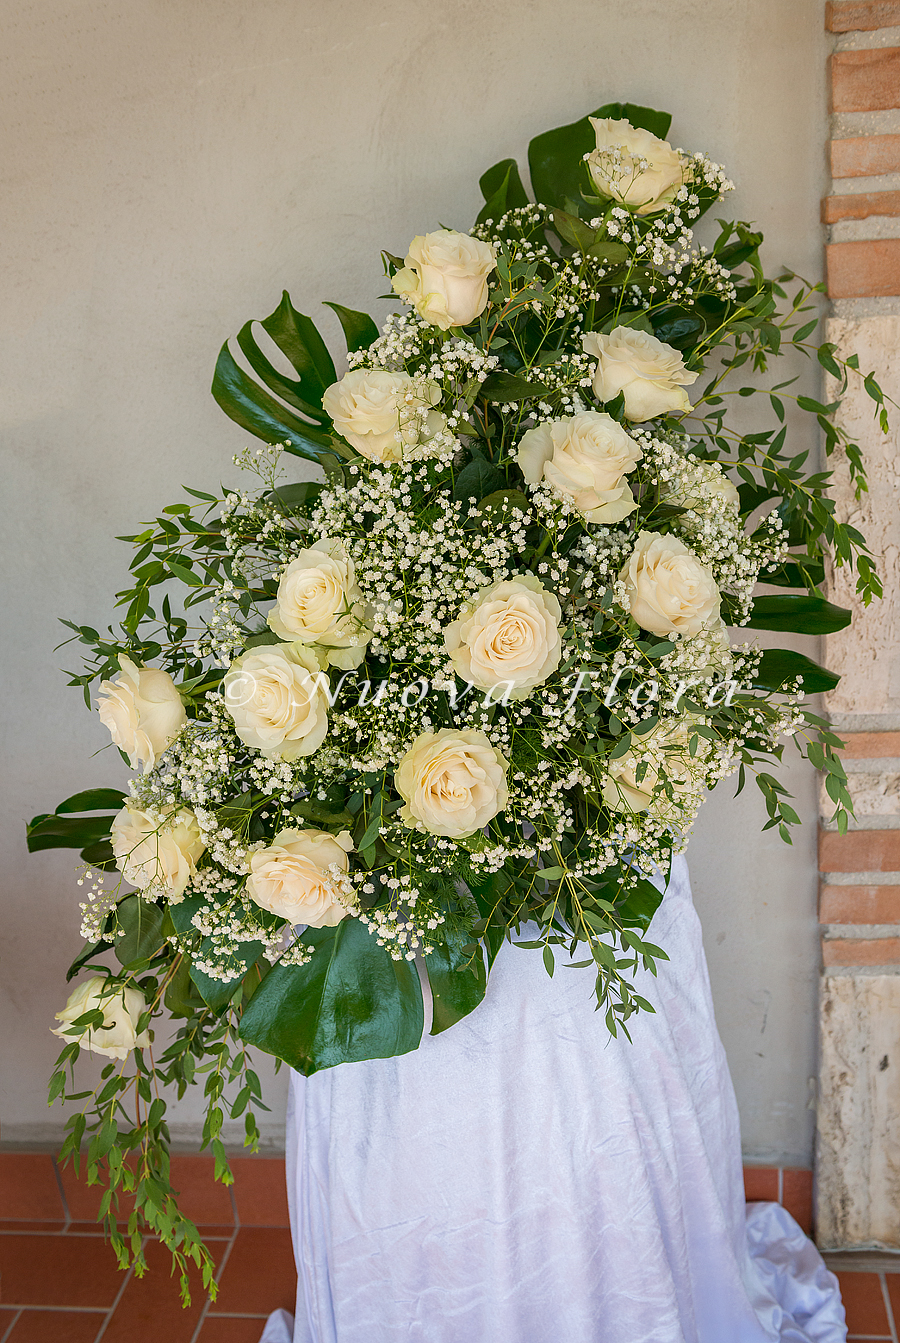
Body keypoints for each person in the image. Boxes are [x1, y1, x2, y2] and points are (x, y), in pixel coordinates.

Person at [260, 855, 845, 1343]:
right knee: (421, 1122)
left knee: (580, 1080)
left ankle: (608, 1300)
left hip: (566, 849)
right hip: (378, 874)